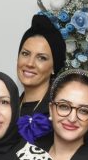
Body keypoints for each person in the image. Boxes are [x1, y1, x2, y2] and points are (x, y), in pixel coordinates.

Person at [16, 14, 67, 150]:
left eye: (41, 58)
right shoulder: (8, 107)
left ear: (54, 67)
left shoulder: (62, 112)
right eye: (25, 54)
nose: (30, 63)